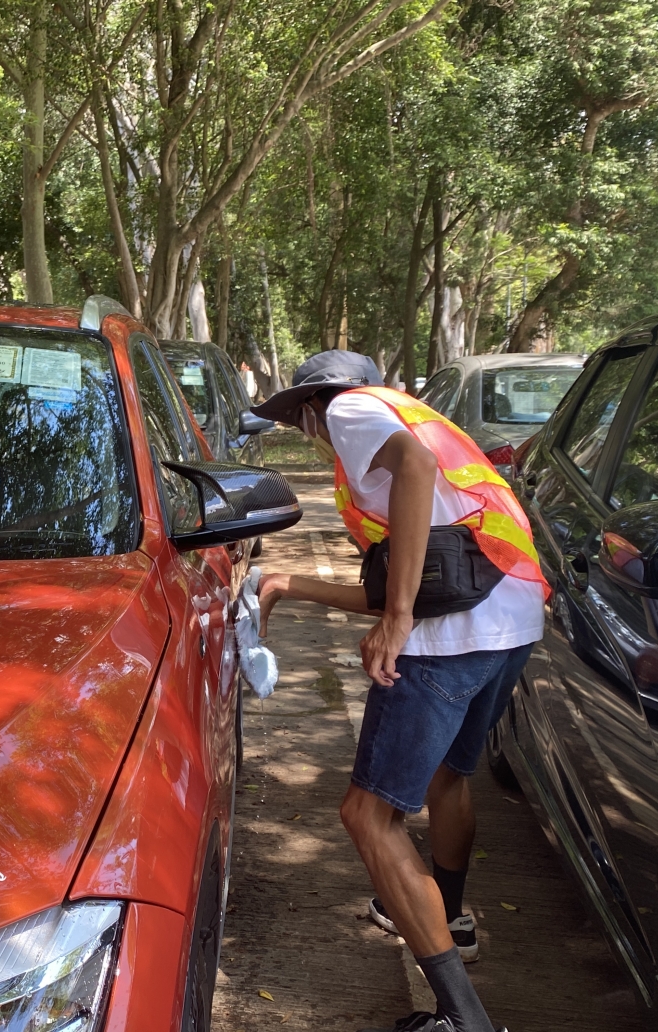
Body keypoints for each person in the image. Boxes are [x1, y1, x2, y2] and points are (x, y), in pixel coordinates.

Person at [250, 351, 547, 1032]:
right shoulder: (425, 420)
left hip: (453, 637)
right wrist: (290, 586)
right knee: (449, 777)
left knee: (366, 817)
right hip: (511, 619)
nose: (304, 431)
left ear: (311, 404)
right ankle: (454, 916)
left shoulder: (352, 410)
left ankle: (462, 1019)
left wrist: (398, 622)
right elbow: (416, 572)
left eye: (298, 418)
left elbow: (410, 489)